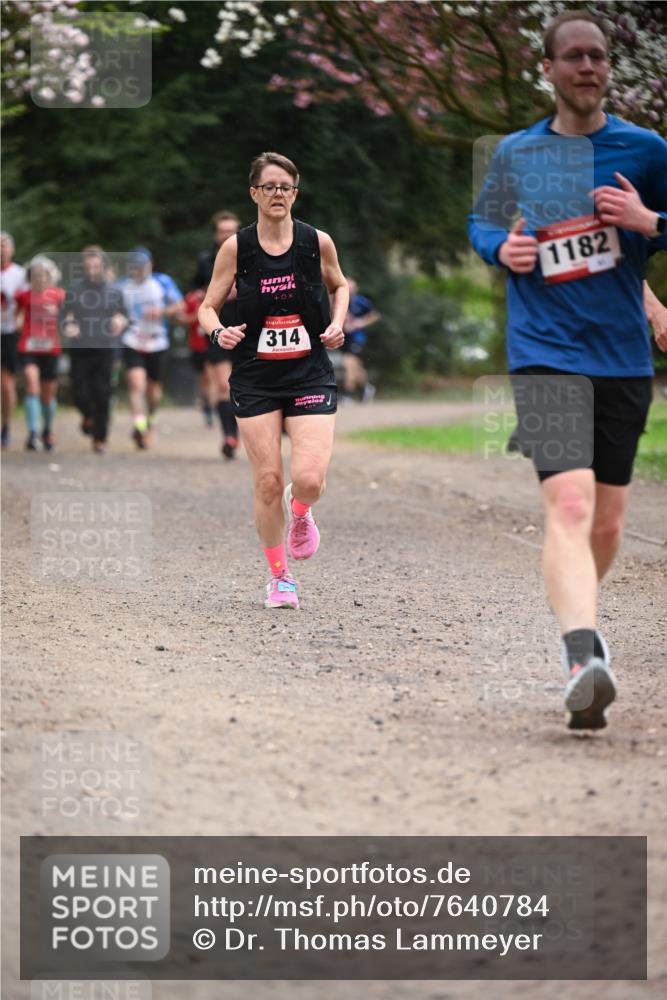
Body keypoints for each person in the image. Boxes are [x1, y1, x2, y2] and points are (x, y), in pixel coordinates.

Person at [469, 10, 667, 731]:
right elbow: (481, 227)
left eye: (598, 56)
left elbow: (658, 223)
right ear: (548, 69)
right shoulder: (517, 155)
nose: (586, 67)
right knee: (571, 506)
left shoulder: (644, 150)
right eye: (572, 57)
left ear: (607, 69)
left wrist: (648, 224)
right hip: (542, 353)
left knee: (607, 525)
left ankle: (581, 623)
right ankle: (582, 657)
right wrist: (503, 252)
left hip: (619, 356)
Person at [198, 152, 348, 608]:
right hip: (256, 375)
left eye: (286, 186)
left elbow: (339, 285)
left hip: (309, 373)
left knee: (308, 478)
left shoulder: (315, 242)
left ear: (295, 193)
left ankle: (301, 510)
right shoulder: (237, 248)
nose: (278, 194)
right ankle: (280, 579)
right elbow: (207, 306)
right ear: (254, 193)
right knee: (266, 481)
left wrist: (339, 323)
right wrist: (219, 332)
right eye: (269, 187)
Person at [61, 247, 127, 454]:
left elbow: (124, 315)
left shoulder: (114, 291)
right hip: (80, 348)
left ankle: (100, 438)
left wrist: (120, 320)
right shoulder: (74, 289)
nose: (92, 270)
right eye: (88, 266)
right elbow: (64, 316)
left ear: (103, 267)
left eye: (96, 266)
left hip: (105, 348)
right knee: (79, 394)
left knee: (102, 393)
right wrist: (68, 325)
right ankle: (88, 416)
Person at [119, 248, 183, 449]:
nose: (139, 271)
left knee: (153, 390)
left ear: (150, 265)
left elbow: (179, 305)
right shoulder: (122, 286)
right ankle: (140, 427)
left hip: (157, 342)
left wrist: (162, 311)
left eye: (142, 266)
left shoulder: (162, 282)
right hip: (133, 341)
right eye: (135, 267)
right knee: (136, 385)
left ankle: (150, 419)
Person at [15, 256, 65, 451]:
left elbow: (68, 318)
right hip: (28, 347)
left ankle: (48, 430)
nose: (40, 279)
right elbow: (18, 316)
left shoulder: (59, 296)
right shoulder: (23, 296)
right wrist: (19, 321)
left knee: (48, 394)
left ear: (50, 277)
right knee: (31, 384)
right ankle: (33, 432)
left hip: (50, 348)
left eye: (43, 275)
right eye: (35, 275)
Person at [1, 232, 27, 449]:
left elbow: (28, 304)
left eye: (5, 245)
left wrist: (21, 319)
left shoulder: (20, 275)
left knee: (7, 385)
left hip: (9, 334)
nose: (2, 249)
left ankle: (6, 426)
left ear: (12, 249)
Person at [342, 277, 381, 403]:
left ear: (356, 289)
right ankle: (367, 388)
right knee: (356, 366)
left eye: (352, 288)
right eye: (347, 287)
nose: (350, 290)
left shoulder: (361, 302)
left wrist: (361, 322)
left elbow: (375, 315)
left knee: (348, 363)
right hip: (345, 338)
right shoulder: (340, 301)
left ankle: (348, 394)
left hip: (358, 338)